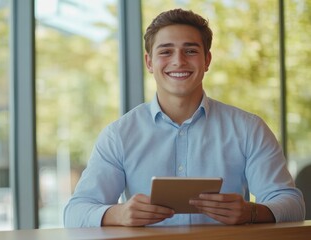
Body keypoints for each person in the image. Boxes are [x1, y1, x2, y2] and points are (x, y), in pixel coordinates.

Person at [63, 8, 305, 227]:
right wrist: (119, 214)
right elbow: (75, 212)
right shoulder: (119, 135)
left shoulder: (248, 129)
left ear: (207, 60)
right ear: (149, 62)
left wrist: (251, 212)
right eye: (166, 51)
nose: (178, 60)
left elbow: (292, 204)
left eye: (190, 51)